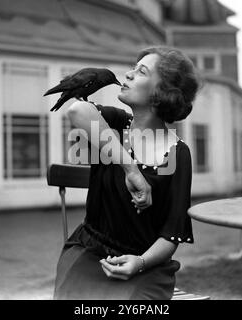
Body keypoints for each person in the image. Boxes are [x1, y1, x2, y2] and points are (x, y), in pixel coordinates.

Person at [53, 46, 200, 300]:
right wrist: (132, 170)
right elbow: (76, 110)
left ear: (161, 93)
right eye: (133, 67)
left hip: (144, 266)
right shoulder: (114, 124)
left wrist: (140, 262)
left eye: (141, 71)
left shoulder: (178, 154)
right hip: (88, 255)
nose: (128, 75)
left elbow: (172, 235)